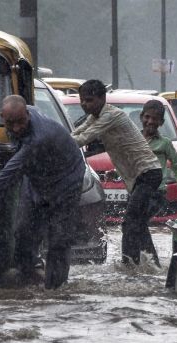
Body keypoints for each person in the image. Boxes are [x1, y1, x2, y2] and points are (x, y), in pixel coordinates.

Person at [0, 95, 85, 289]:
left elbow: (9, 173)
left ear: (28, 115)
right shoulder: (25, 114)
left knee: (58, 239)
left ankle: (55, 290)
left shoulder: (39, 138)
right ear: (2, 117)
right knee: (23, 230)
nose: (17, 128)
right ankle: (28, 276)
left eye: (21, 122)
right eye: (11, 123)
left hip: (65, 180)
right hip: (37, 178)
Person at [71, 79, 162, 266]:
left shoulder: (111, 116)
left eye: (89, 100)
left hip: (148, 173)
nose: (84, 105)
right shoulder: (95, 117)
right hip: (138, 177)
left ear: (102, 98)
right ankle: (152, 265)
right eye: (82, 100)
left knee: (128, 223)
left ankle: (128, 266)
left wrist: (54, 143)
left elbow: (84, 138)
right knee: (138, 224)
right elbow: (77, 132)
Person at [139, 99, 177, 266]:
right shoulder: (134, 139)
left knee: (138, 222)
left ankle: (152, 263)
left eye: (155, 119)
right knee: (133, 224)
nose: (150, 122)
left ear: (161, 122)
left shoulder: (164, 143)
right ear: (141, 117)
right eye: (147, 117)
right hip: (136, 191)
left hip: (157, 192)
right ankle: (142, 261)